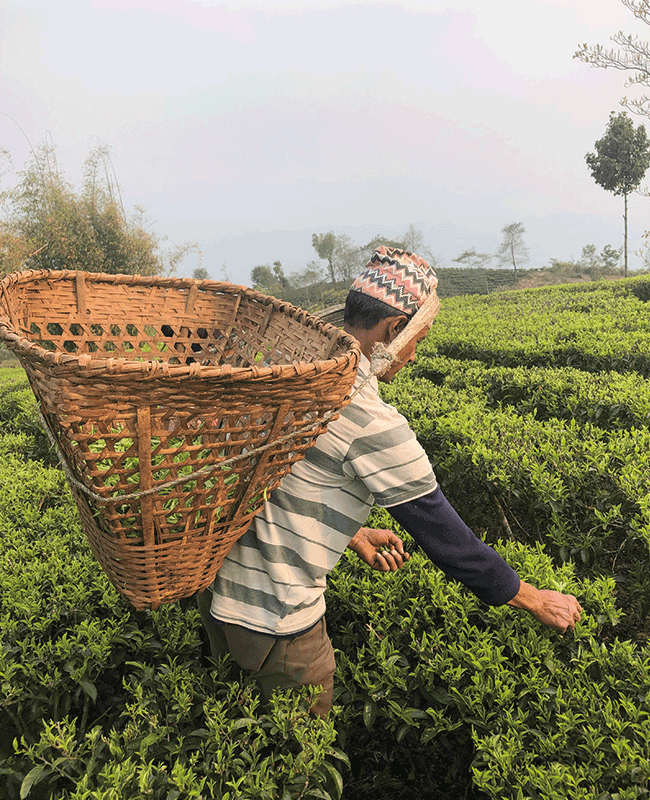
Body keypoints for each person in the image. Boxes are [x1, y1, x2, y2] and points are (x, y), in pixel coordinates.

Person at [197, 246, 583, 717]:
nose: (416, 356)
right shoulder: (372, 421)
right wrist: (531, 597)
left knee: (241, 736)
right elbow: (444, 535)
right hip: (278, 621)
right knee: (303, 765)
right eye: (419, 340)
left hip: (218, 595)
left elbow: (278, 477)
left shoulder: (295, 379)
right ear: (394, 330)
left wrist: (353, 531)